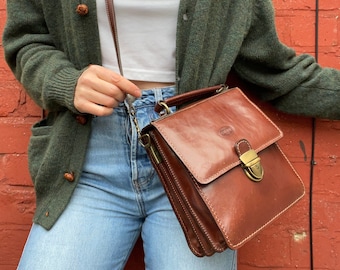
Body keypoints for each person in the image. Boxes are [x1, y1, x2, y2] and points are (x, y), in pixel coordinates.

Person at [3, 0, 340, 269]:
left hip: (200, 169)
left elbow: (277, 72)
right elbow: (26, 41)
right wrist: (65, 81)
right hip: (87, 163)